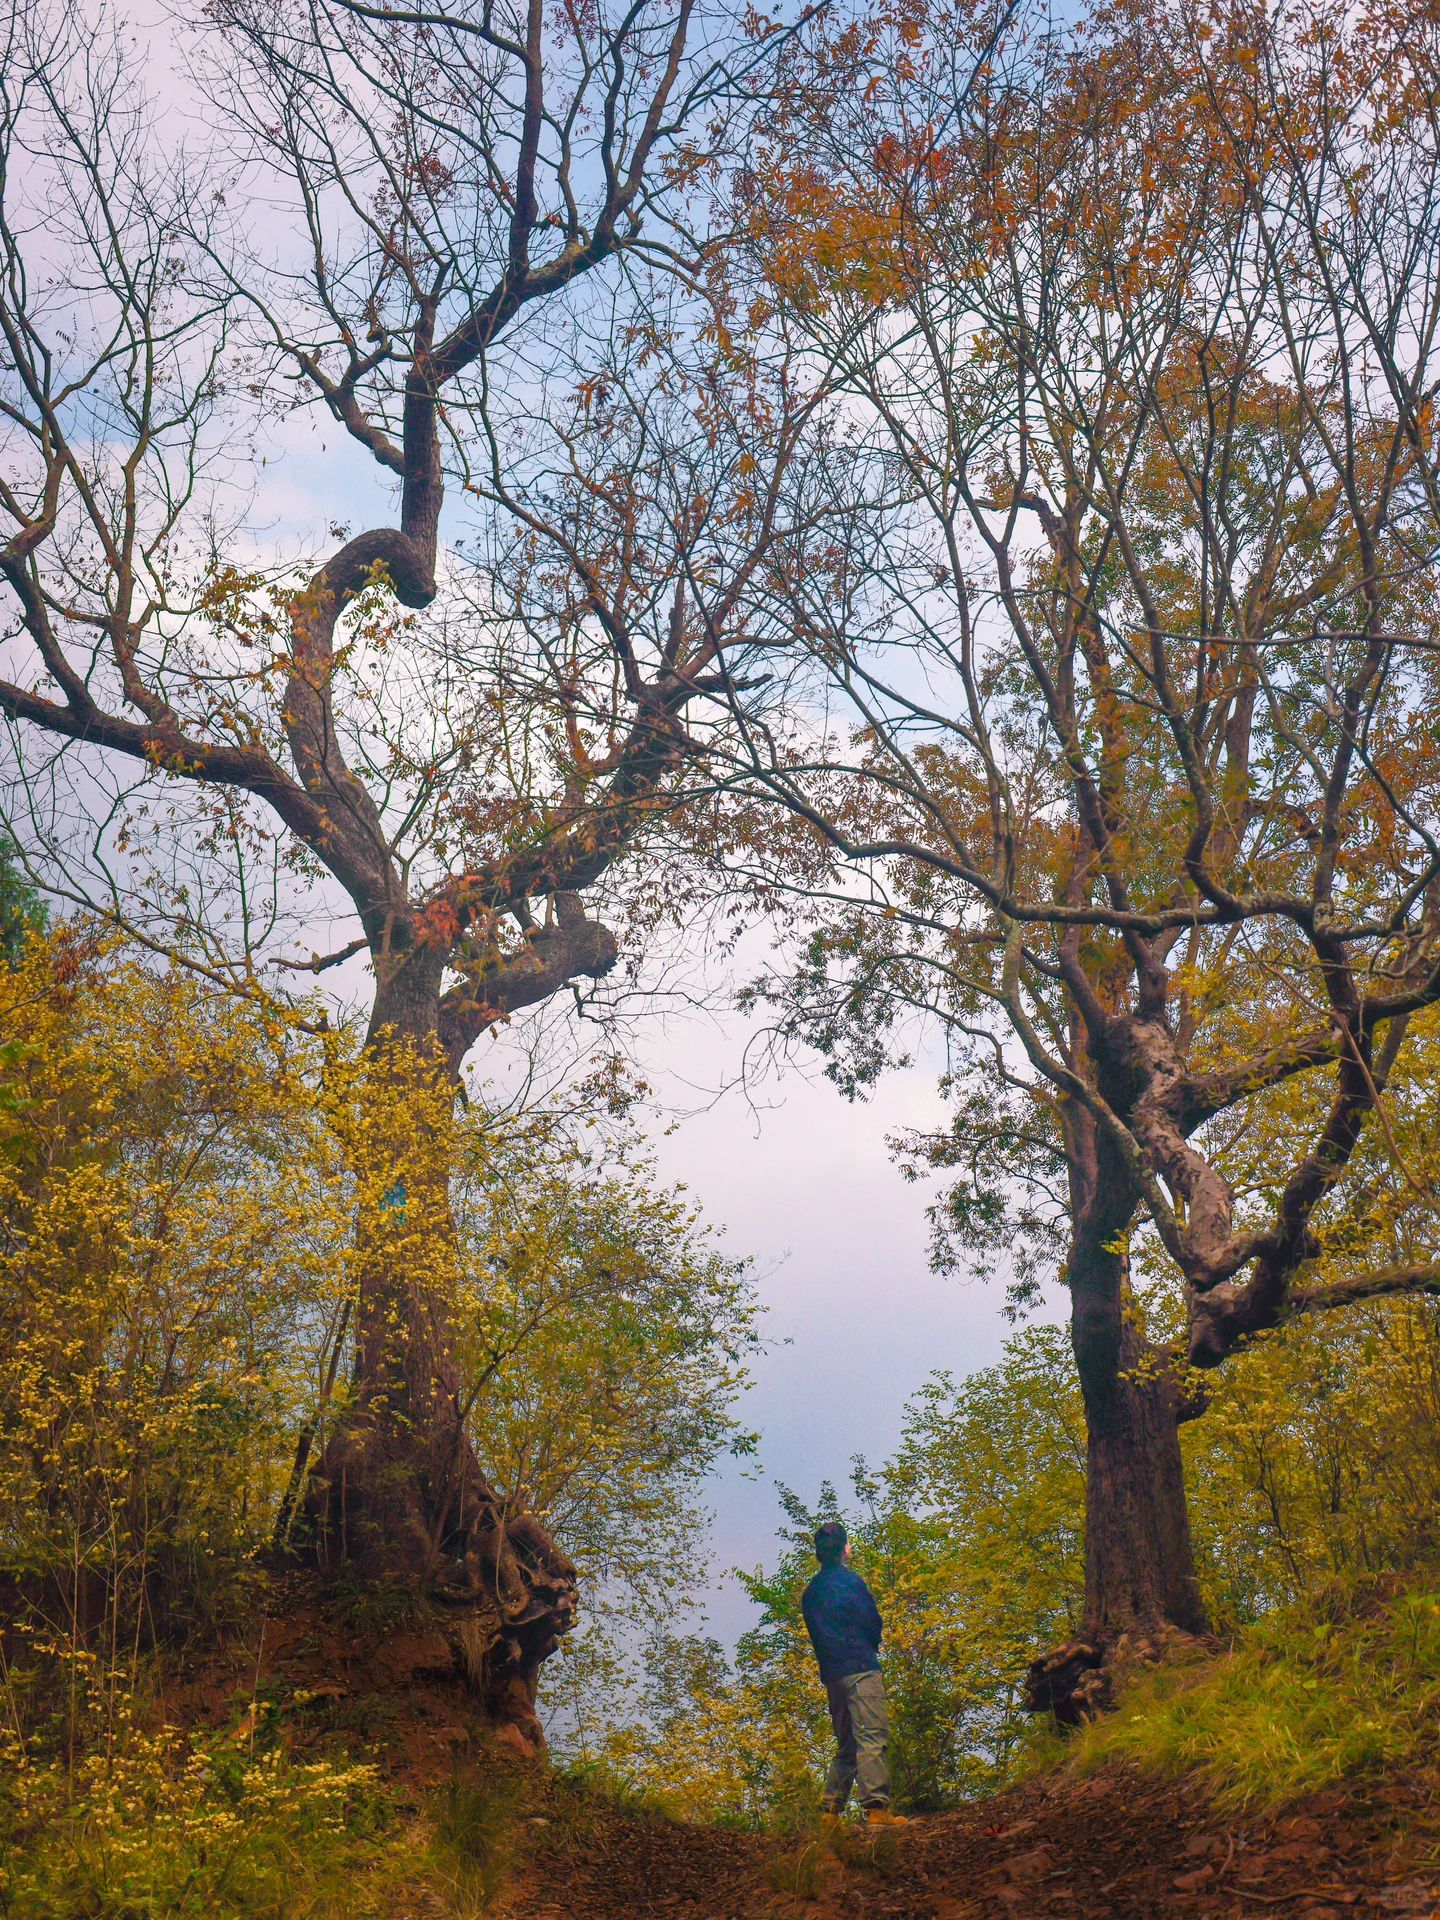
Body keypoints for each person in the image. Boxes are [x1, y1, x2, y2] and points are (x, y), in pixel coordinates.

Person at [800, 1520, 906, 1824]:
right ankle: (876, 1813)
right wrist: (868, 1648)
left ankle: (829, 1815)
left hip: (833, 1675)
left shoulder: (811, 1593)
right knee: (871, 1736)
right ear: (845, 1549)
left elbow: (817, 1636)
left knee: (847, 1744)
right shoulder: (852, 1583)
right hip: (860, 1667)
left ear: (819, 1554)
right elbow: (872, 1622)